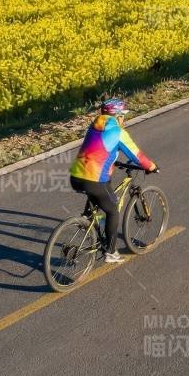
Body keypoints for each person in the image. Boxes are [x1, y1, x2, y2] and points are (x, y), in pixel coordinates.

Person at [69, 97, 157, 263]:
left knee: (103, 192)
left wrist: (111, 160)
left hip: (76, 176)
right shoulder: (118, 132)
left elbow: (98, 150)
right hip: (94, 180)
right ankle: (110, 253)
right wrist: (151, 166)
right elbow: (136, 155)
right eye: (123, 115)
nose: (124, 119)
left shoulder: (94, 126)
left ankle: (90, 221)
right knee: (113, 210)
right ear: (117, 116)